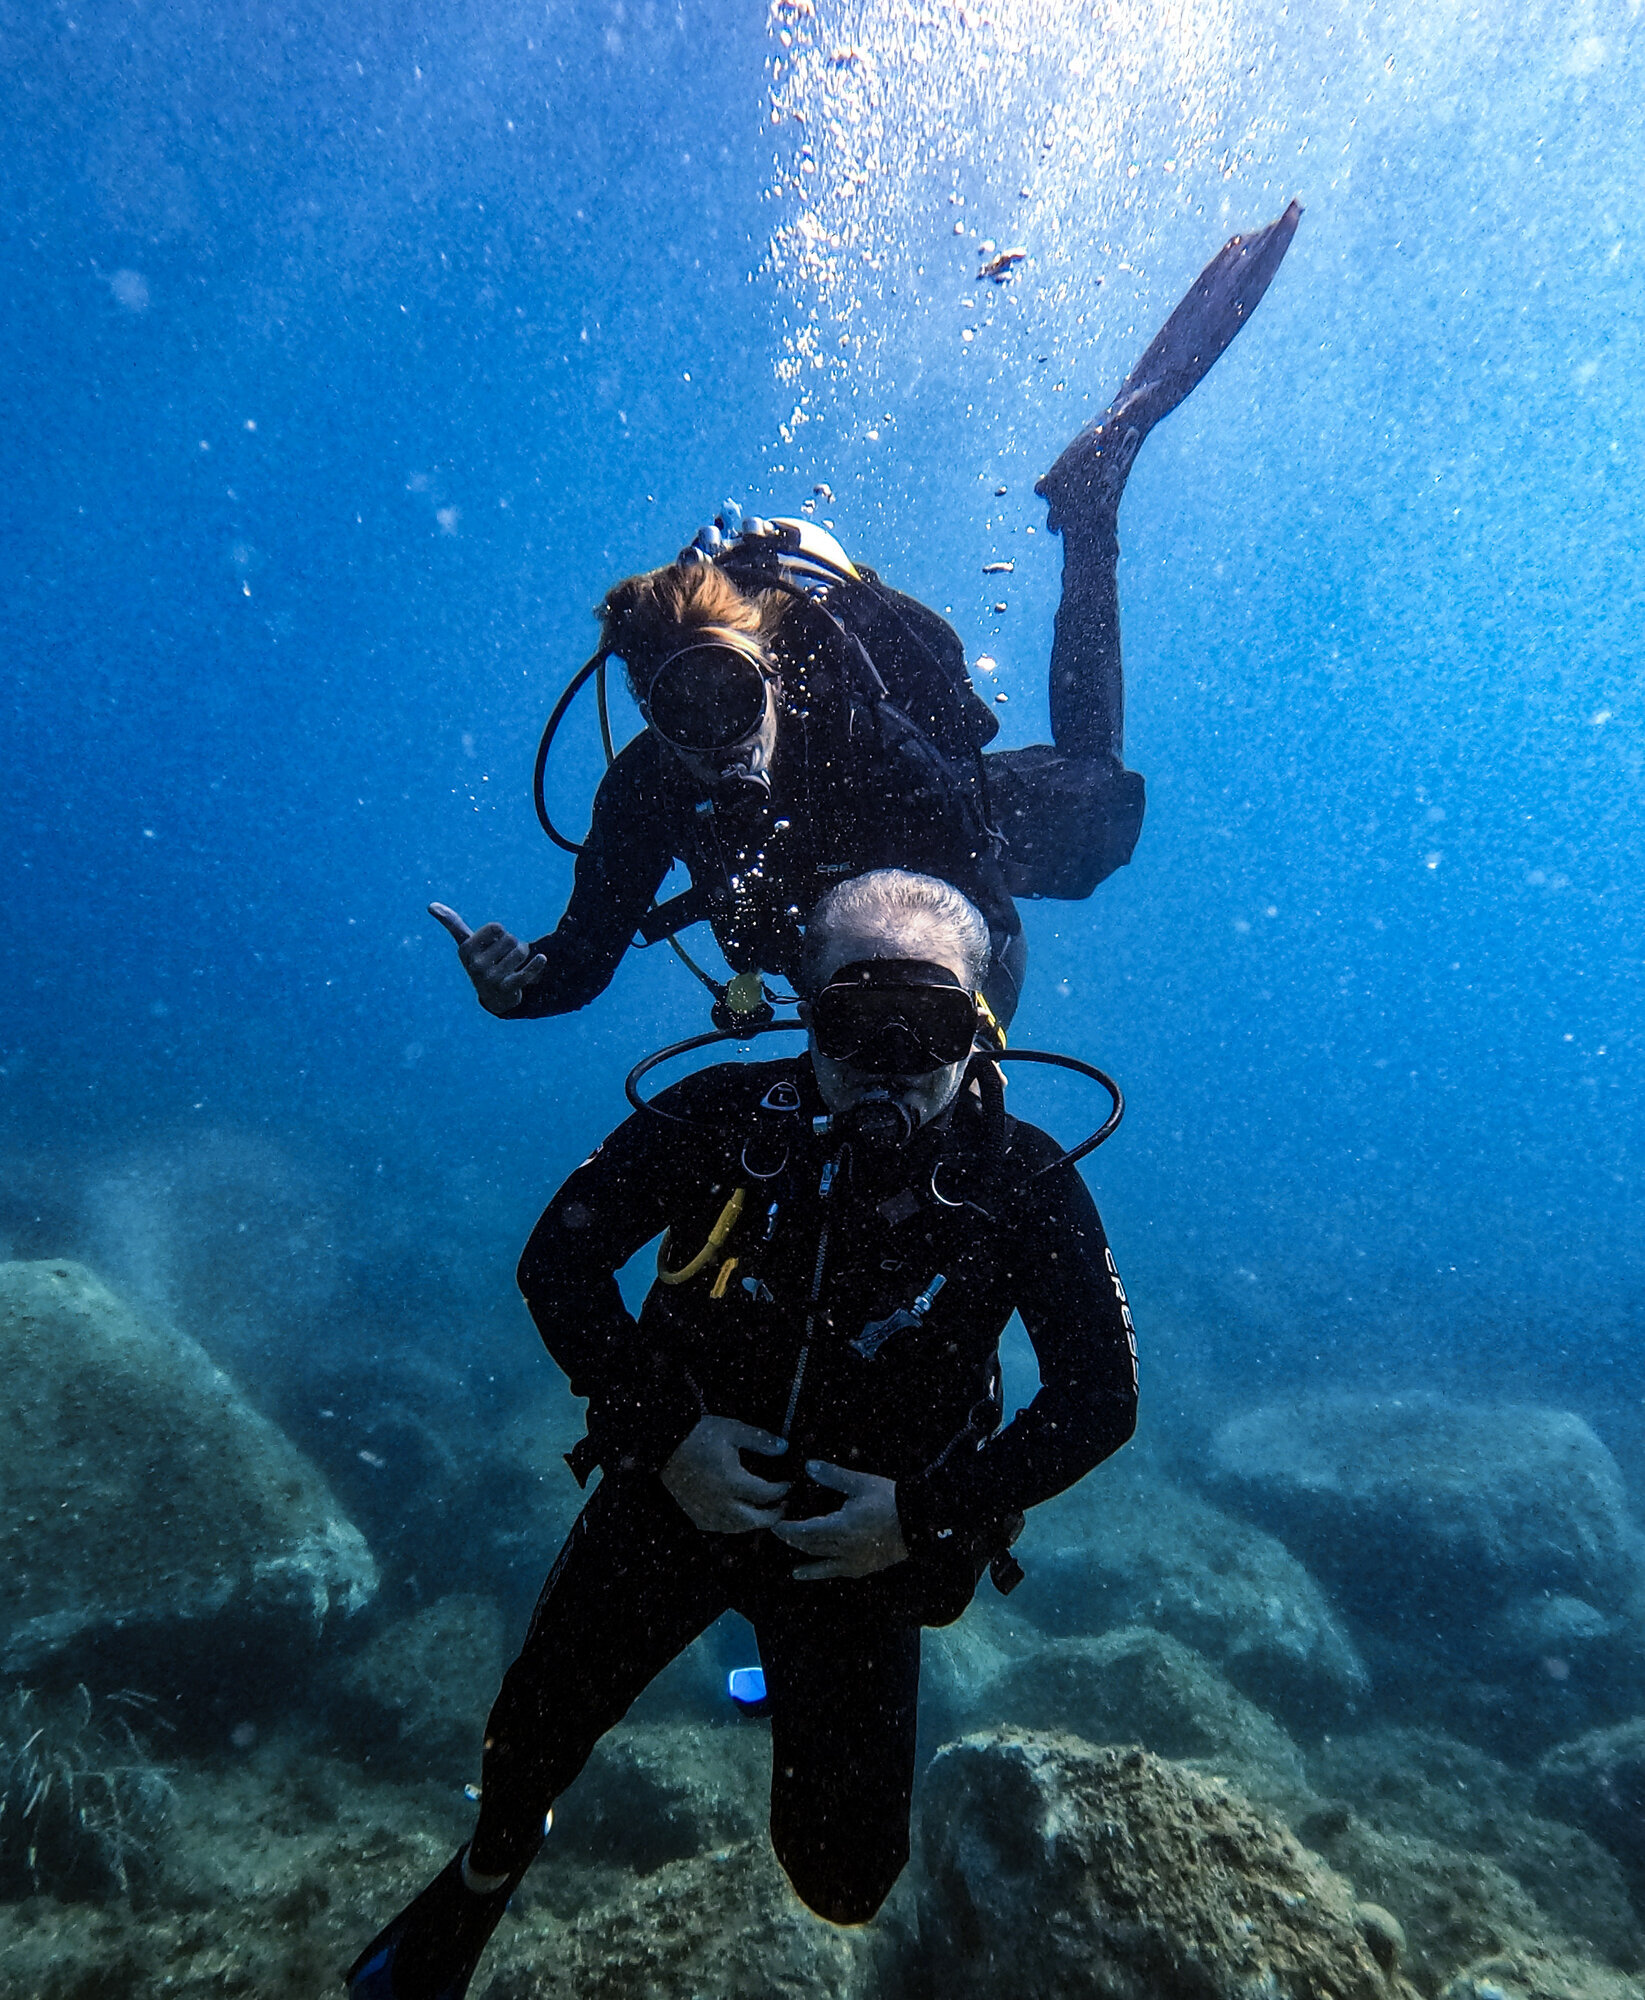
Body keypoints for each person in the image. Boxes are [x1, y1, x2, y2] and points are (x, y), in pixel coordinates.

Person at [346, 868, 1139, 1999]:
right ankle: (484, 1874)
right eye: (856, 1020)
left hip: (857, 1549)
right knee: (526, 1743)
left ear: (979, 1027)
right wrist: (668, 1432)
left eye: (928, 1024)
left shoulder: (1022, 1179)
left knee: (845, 1881)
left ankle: (770, 1672)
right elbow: (557, 1260)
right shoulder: (718, 1117)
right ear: (803, 1012)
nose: (891, 1061)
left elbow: (1099, 1398)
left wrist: (917, 1514)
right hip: (672, 1496)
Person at [431, 200, 1301, 1031]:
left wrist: (968, 1031)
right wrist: (517, 989)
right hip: (842, 954)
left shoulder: (865, 739)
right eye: (682, 713)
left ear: (769, 673)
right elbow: (582, 958)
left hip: (958, 836)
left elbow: (984, 909)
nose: (718, 736)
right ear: (650, 720)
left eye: (730, 693)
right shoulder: (646, 789)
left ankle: (1087, 510)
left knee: (1095, 795)